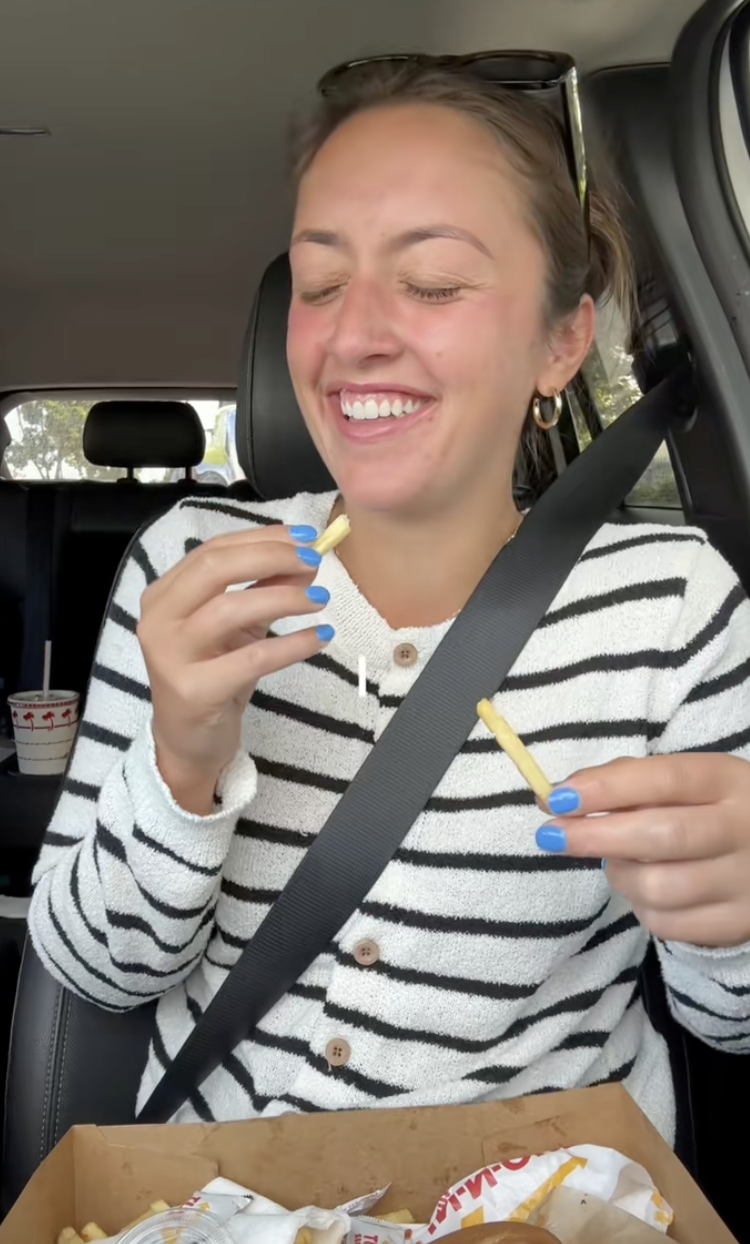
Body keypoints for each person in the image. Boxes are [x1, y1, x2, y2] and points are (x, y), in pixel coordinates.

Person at [28, 60, 750, 1141]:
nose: (352, 333)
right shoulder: (191, 563)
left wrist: (731, 920)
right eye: (320, 284)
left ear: (562, 341)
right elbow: (98, 970)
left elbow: (729, 1021)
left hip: (539, 1206)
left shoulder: (672, 609)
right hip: (220, 1208)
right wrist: (179, 766)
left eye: (435, 282)